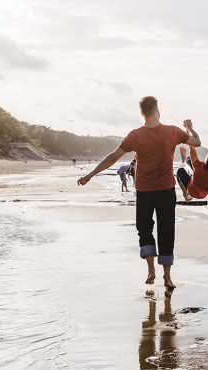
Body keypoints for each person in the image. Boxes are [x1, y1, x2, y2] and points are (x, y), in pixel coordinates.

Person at [77, 96, 201, 288]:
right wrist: (189, 127)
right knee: (166, 231)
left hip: (144, 191)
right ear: (157, 110)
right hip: (166, 190)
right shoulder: (172, 131)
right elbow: (197, 142)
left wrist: (91, 174)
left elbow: (113, 157)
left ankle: (151, 270)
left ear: (142, 113)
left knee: (144, 229)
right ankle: (167, 277)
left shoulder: (135, 135)